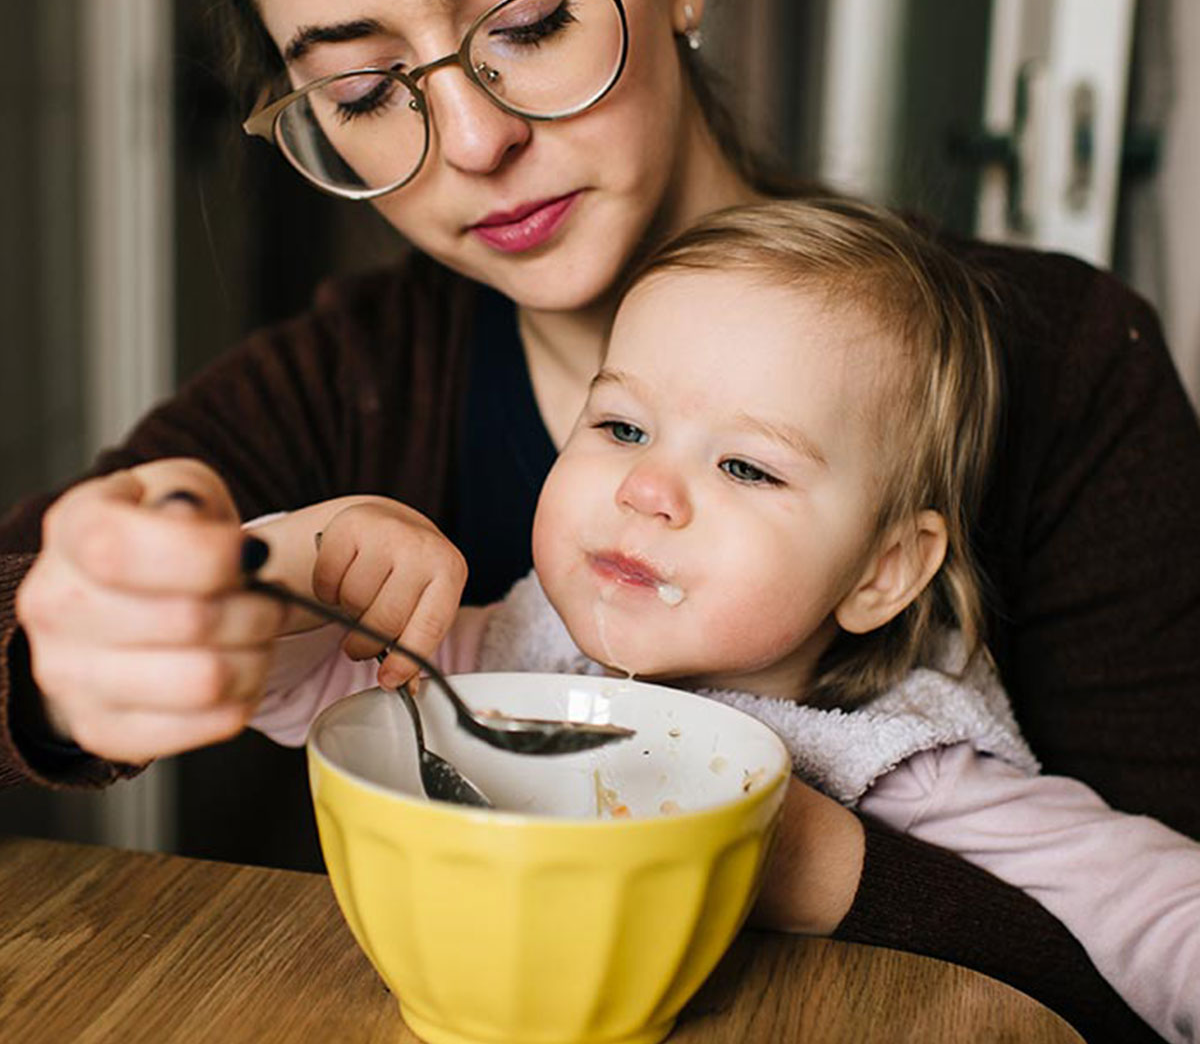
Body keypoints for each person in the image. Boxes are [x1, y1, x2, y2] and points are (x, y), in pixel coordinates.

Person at [0, 0, 1195, 1040]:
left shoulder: (1054, 365)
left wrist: (786, 855)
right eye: (364, 90)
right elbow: (135, 619)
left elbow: (1147, 956)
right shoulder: (348, 381)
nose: (470, 141)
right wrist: (162, 614)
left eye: (530, 21)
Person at [243, 198, 1200, 1044]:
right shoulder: (496, 656)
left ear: (882, 571)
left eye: (745, 467)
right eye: (621, 428)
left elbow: (1155, 910)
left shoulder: (902, 760)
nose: (646, 488)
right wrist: (308, 552)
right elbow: (267, 676)